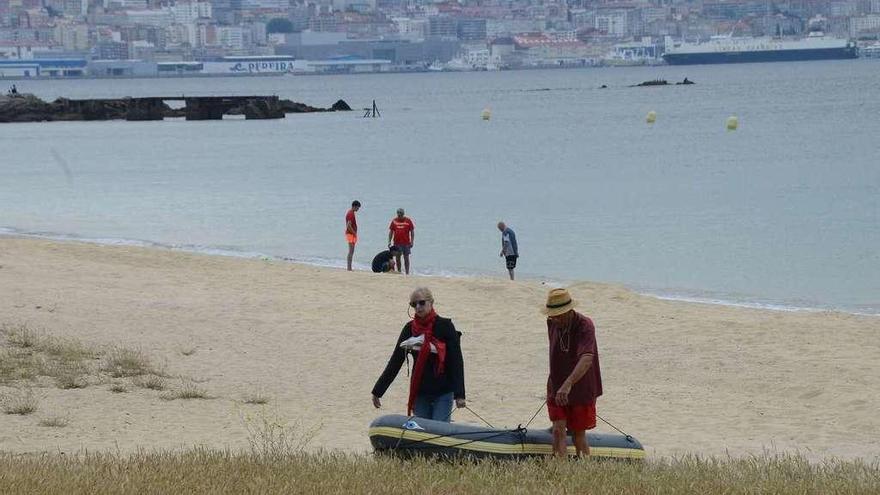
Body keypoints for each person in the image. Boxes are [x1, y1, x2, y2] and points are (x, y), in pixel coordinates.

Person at [371, 287, 466, 421]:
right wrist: (378, 391)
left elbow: (456, 361)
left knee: (438, 432)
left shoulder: (445, 326)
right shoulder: (409, 329)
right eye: (413, 304)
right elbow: (396, 361)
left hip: (443, 390)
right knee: (421, 433)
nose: (418, 307)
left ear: (431, 302)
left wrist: (460, 394)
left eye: (421, 302)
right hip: (420, 391)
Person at [541, 288, 602, 457]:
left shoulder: (585, 325)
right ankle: (561, 471)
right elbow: (556, 353)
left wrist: (568, 384)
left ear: (569, 311)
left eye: (558, 315)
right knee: (558, 430)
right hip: (556, 386)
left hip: (581, 388)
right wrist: (552, 383)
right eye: (552, 314)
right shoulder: (551, 322)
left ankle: (583, 470)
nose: (555, 318)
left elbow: (587, 358)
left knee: (578, 434)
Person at [388, 208, 414, 275]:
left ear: (403, 214)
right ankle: (399, 271)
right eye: (398, 213)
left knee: (406, 258)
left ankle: (407, 272)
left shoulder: (408, 221)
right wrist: (389, 241)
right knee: (398, 258)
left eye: (400, 214)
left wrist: (412, 241)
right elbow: (391, 231)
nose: (399, 215)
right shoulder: (394, 221)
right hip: (397, 243)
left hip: (406, 243)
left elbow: (412, 231)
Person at [345, 200, 361, 271]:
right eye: (358, 207)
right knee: (351, 251)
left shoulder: (351, 213)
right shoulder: (350, 213)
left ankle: (349, 267)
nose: (358, 209)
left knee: (351, 251)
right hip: (350, 234)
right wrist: (354, 233)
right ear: (355, 206)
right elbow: (348, 225)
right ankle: (349, 268)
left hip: (351, 234)